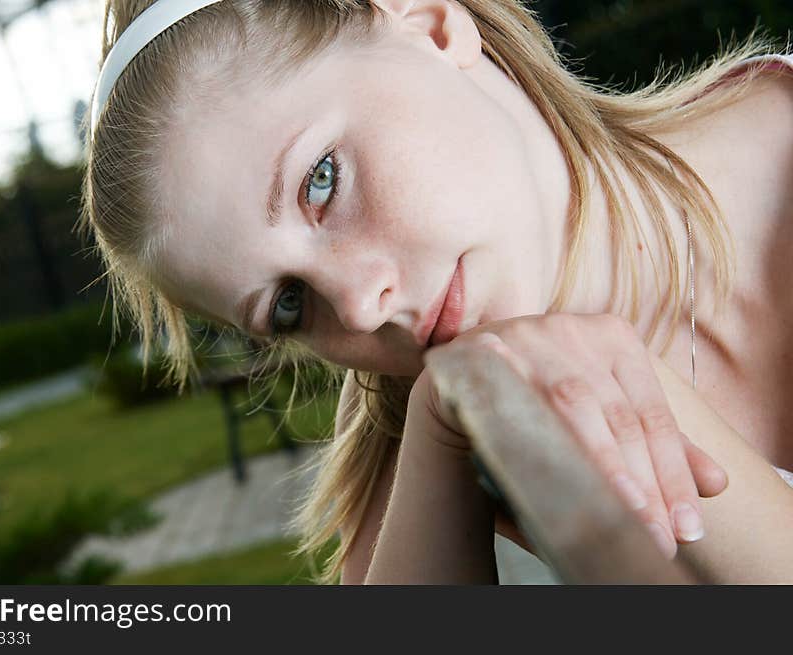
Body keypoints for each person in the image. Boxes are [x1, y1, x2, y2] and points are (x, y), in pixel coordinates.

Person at [80, 0, 793, 584]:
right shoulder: (421, 495)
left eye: (321, 179)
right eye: (288, 305)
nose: (360, 306)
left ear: (430, 24)